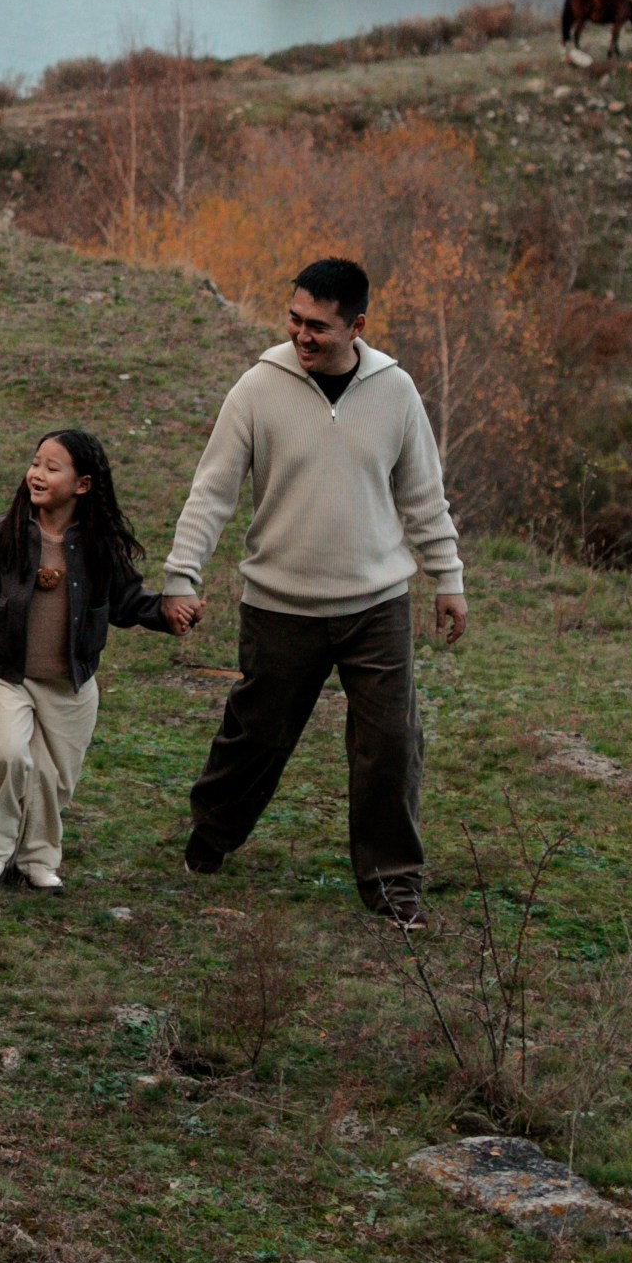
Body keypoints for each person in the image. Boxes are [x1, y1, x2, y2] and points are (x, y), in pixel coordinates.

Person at [161, 255, 465, 926]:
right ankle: (212, 834)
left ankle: (393, 884)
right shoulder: (256, 390)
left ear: (357, 326)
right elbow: (212, 494)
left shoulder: (396, 392)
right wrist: (181, 575)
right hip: (280, 605)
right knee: (257, 735)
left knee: (391, 744)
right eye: (295, 320)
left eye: (318, 326)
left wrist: (448, 577)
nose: (302, 335)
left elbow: (423, 494)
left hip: (376, 606)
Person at [0, 428, 179, 891]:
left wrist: (166, 612)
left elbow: (127, 600)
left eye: (52, 467)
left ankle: (37, 858)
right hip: (10, 675)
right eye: (35, 463)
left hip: (71, 683)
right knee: (6, 755)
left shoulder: (99, 545)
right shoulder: (0, 536)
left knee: (51, 777)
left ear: (82, 485)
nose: (37, 474)